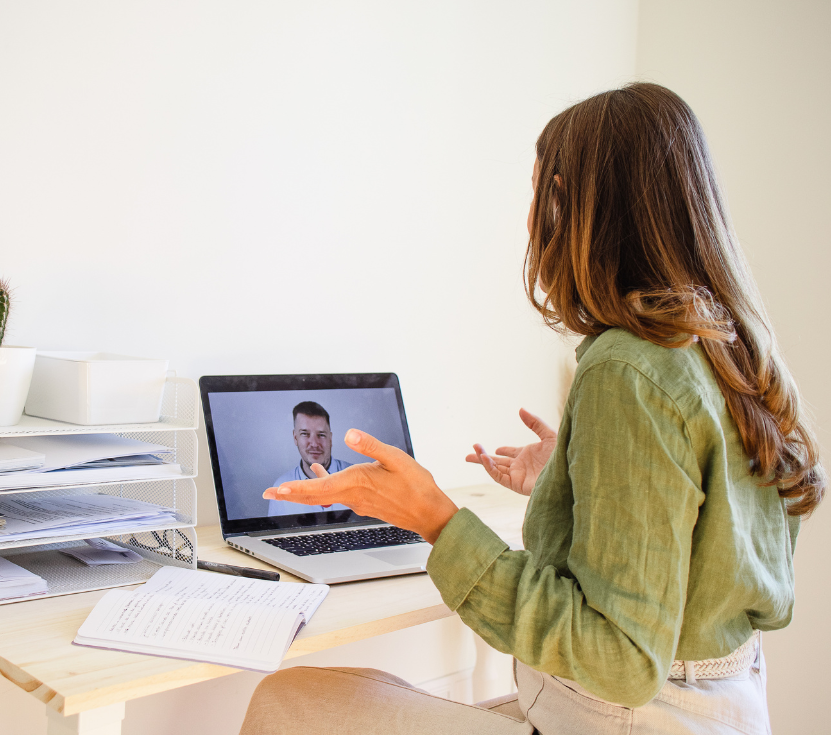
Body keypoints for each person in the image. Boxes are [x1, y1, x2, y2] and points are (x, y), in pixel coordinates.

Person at [239, 83, 825, 734]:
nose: (529, 220)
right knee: (367, 687)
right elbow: (699, 537)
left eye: (543, 192)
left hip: (633, 715)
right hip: (725, 707)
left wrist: (435, 518)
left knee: (285, 701)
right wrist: (570, 481)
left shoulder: (628, 365)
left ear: (588, 208)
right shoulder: (730, 343)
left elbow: (622, 660)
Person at [267, 401, 353, 516]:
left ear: (330, 438)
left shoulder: (357, 477)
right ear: (295, 437)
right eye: (305, 434)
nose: (314, 443)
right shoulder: (281, 487)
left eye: (321, 434)